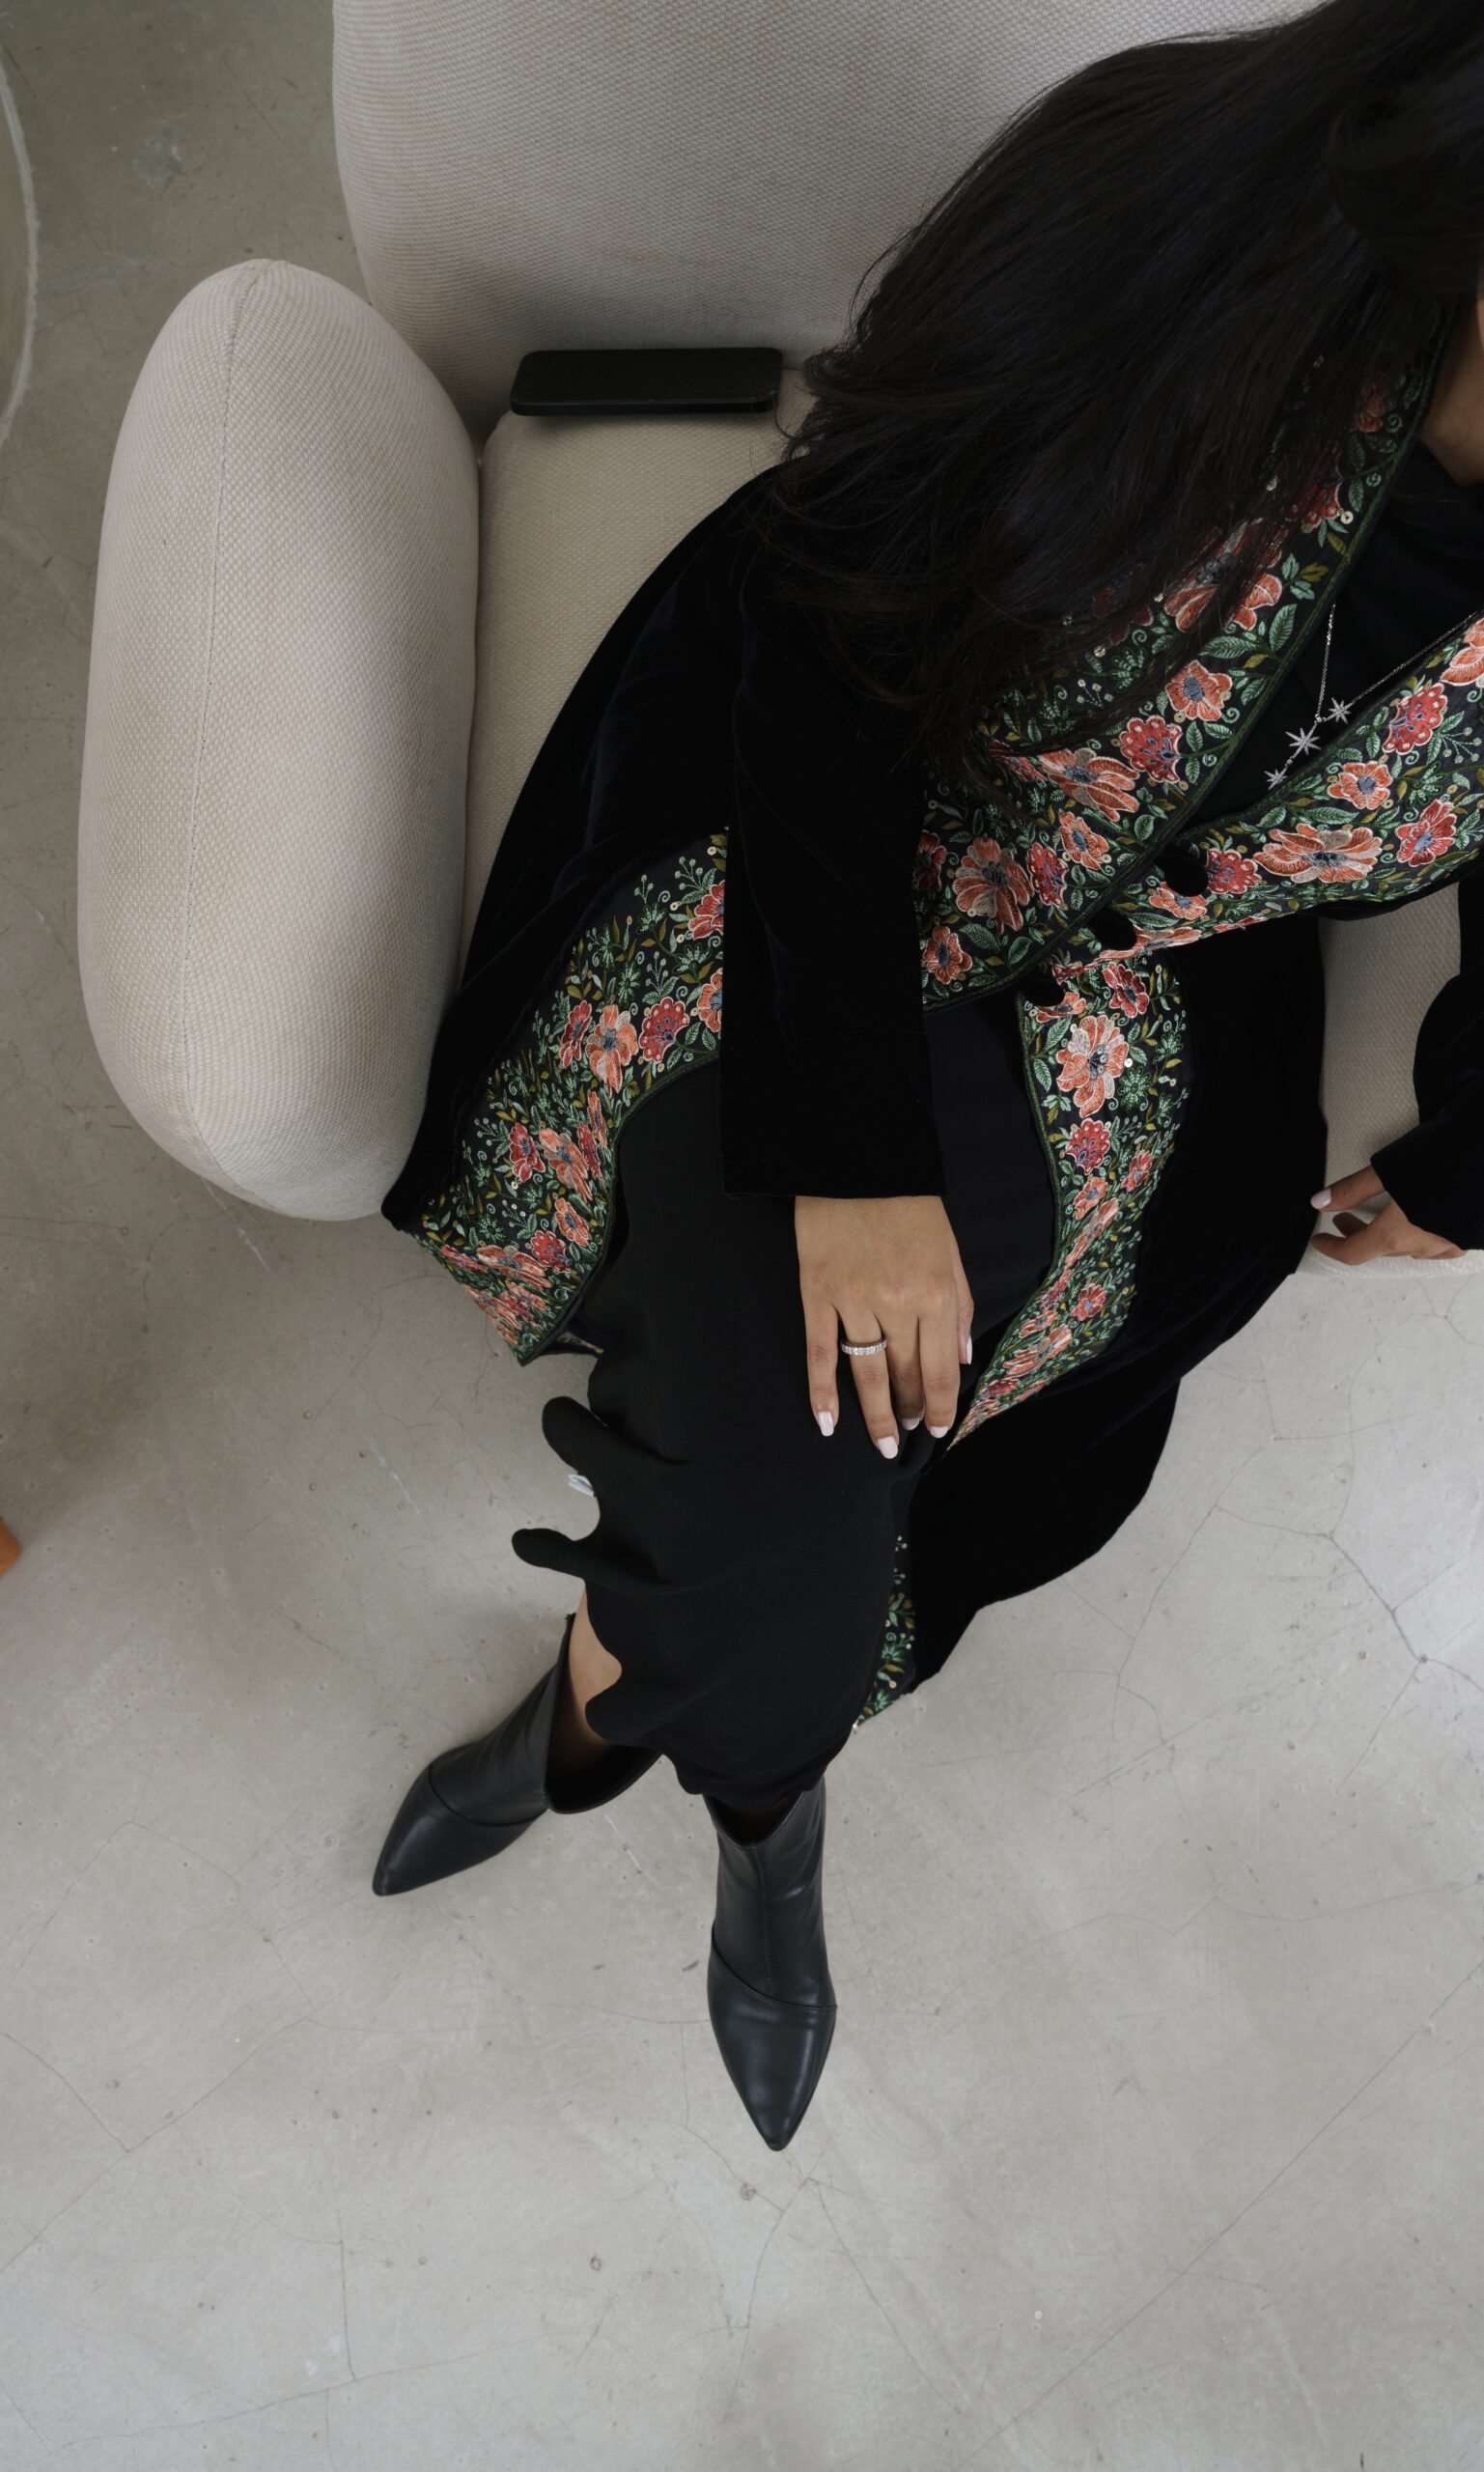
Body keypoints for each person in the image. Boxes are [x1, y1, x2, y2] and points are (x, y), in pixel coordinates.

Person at [372, 0, 1484, 2149]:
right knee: (789, 1413)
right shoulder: (1179, 198)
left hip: (1161, 1007)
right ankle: (753, 1816)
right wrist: (856, 1144)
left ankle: (607, 1713)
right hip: (827, 808)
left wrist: (1479, 1155)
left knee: (820, 1448)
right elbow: (826, 612)